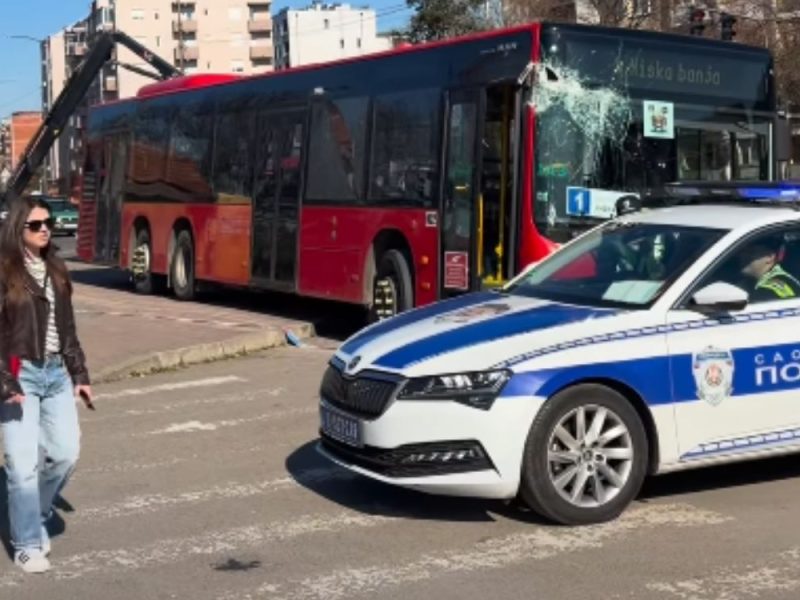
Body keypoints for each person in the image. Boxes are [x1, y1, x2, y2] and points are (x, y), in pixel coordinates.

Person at [0, 196, 92, 574]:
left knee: (66, 453)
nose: (45, 229)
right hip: (18, 376)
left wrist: (80, 374)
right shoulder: (4, 272)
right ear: (18, 229)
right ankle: (25, 542)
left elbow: (67, 330)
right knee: (21, 466)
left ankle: (35, 509)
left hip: (54, 374)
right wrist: (5, 380)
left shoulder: (56, 268)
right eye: (36, 224)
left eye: (47, 223)